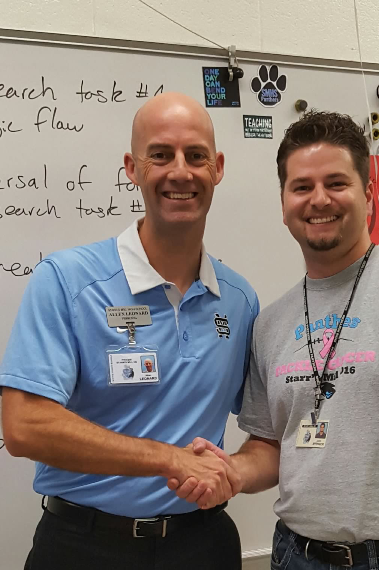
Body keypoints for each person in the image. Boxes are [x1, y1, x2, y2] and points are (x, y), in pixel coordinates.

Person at [177, 111, 379, 570]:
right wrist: (233, 471)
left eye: (336, 182)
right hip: (295, 555)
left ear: (368, 192)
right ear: (284, 202)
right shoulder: (270, 323)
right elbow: (269, 446)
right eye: (302, 186)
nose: (319, 200)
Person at [0, 93, 258, 570]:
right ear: (132, 168)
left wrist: (233, 471)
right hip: (83, 546)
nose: (180, 171)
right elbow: (23, 426)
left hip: (202, 545)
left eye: (196, 155)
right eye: (160, 154)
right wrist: (167, 459)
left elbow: (266, 430)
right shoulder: (66, 280)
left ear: (217, 168)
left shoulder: (240, 301)